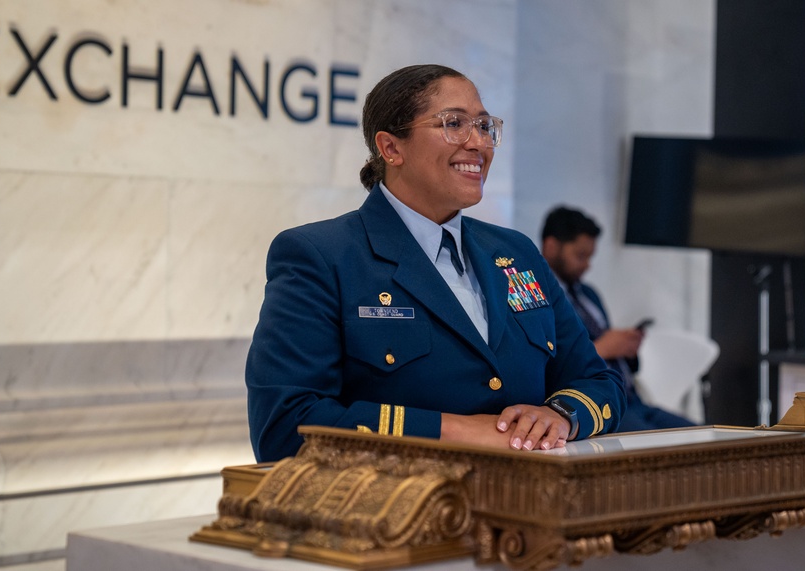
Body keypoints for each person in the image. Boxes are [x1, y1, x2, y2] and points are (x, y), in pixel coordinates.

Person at [246, 64, 625, 462]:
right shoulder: (321, 255)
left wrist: (559, 416)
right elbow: (285, 426)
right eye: (454, 123)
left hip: (534, 504)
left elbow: (598, 381)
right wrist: (457, 431)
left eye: (483, 125)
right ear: (391, 148)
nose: (477, 142)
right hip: (399, 513)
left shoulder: (516, 252)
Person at [540, 206, 696, 432]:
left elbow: (611, 354)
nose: (587, 265)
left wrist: (626, 348)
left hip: (631, 399)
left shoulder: (588, 294)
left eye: (590, 257)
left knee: (699, 435)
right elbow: (546, 363)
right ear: (551, 247)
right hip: (590, 405)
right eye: (580, 256)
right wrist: (603, 348)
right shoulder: (538, 298)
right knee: (658, 446)